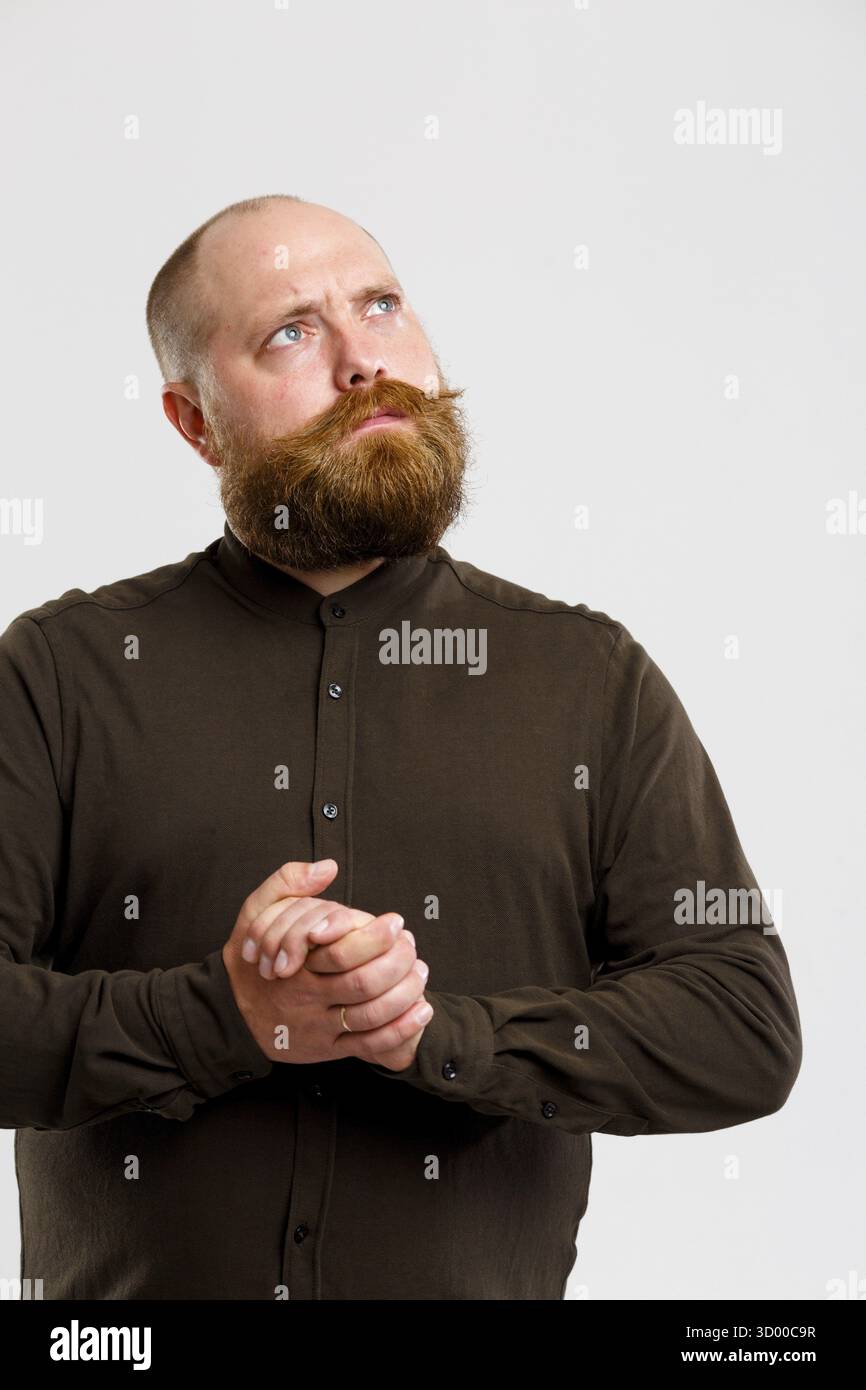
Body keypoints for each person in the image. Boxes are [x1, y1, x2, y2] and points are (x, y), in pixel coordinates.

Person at [0, 194, 802, 1301]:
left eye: (380, 305)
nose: (362, 361)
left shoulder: (588, 679)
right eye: (290, 331)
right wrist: (223, 1017)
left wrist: (438, 1036)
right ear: (194, 423)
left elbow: (741, 1025)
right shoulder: (59, 673)